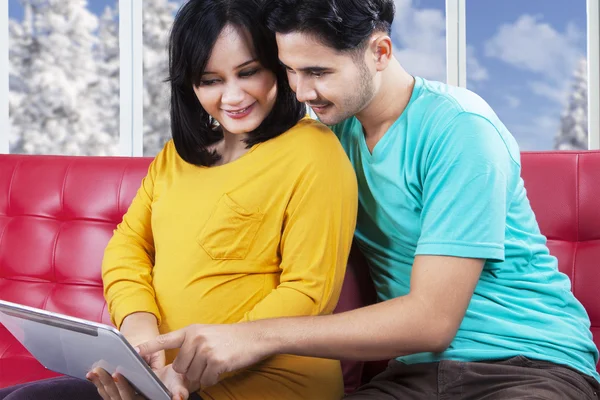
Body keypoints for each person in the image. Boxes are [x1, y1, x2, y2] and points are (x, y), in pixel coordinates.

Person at [136, 0, 600, 399]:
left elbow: (432, 319)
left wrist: (248, 337)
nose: (301, 92)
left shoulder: (462, 131)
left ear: (379, 52)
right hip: (414, 375)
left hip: (527, 364)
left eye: (318, 71)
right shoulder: (331, 133)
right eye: (291, 71)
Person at [0, 0, 358, 399]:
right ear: (190, 84)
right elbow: (128, 246)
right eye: (211, 80)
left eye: (248, 72)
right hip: (160, 382)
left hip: (263, 386)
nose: (233, 96)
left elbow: (308, 293)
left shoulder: (314, 151)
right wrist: (139, 332)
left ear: (276, 65)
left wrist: (185, 372)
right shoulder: (176, 156)